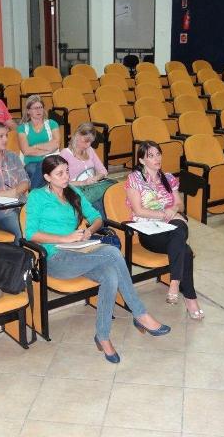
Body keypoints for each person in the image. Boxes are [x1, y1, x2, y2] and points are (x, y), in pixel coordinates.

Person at [25, 155, 170, 363]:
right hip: (55, 257)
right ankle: (140, 314)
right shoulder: (37, 196)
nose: (66, 177)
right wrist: (64, 238)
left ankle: (102, 337)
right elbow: (30, 234)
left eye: (67, 171)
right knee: (111, 253)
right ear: (47, 177)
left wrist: (88, 231)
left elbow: (96, 218)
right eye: (60, 173)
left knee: (110, 274)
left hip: (80, 250)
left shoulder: (72, 192)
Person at [125, 141, 204, 320]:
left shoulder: (168, 178)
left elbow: (180, 204)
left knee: (179, 228)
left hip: (171, 225)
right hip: (149, 231)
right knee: (186, 250)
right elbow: (138, 210)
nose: (157, 158)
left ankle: (175, 283)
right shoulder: (134, 179)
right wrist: (164, 214)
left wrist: (174, 210)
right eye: (151, 155)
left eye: (158, 154)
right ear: (142, 160)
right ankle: (189, 297)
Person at [60, 122, 111, 217]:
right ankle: (104, 228)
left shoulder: (90, 150)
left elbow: (103, 171)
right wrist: (83, 183)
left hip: (92, 187)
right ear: (77, 135)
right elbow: (61, 181)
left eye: (90, 142)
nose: (88, 145)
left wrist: (95, 178)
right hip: (74, 189)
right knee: (98, 205)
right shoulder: (65, 154)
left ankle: (105, 227)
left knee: (107, 199)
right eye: (86, 141)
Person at [17, 95, 60, 189]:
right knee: (34, 169)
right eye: (35, 108)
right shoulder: (22, 128)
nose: (38, 110)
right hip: (31, 162)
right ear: (28, 111)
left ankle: (33, 195)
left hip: (50, 161)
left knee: (43, 166)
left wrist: (35, 146)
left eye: (40, 107)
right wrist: (47, 150)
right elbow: (26, 151)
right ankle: (41, 196)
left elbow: (56, 144)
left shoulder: (52, 124)